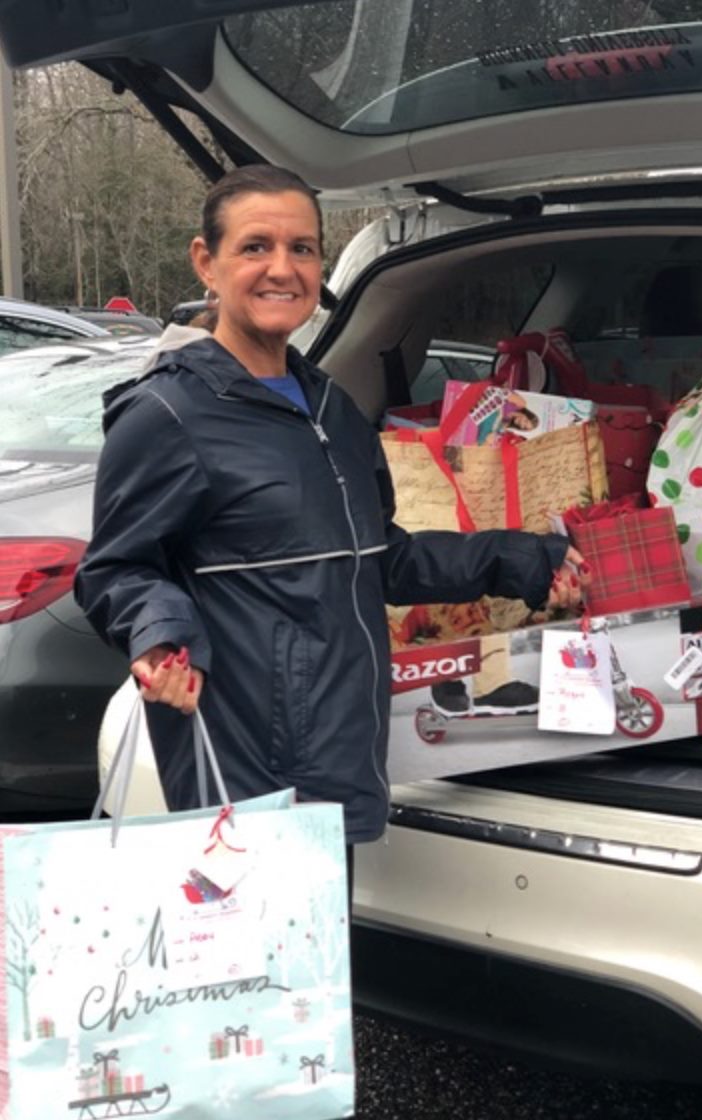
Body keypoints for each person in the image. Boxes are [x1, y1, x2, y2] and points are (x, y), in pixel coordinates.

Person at [75, 163, 589, 851]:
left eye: (302, 248)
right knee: (257, 955)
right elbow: (115, 570)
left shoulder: (332, 410)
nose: (281, 269)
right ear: (207, 261)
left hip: (338, 748)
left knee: (322, 953)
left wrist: (527, 559)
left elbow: (385, 559)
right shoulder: (167, 413)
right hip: (244, 765)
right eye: (255, 246)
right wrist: (161, 632)